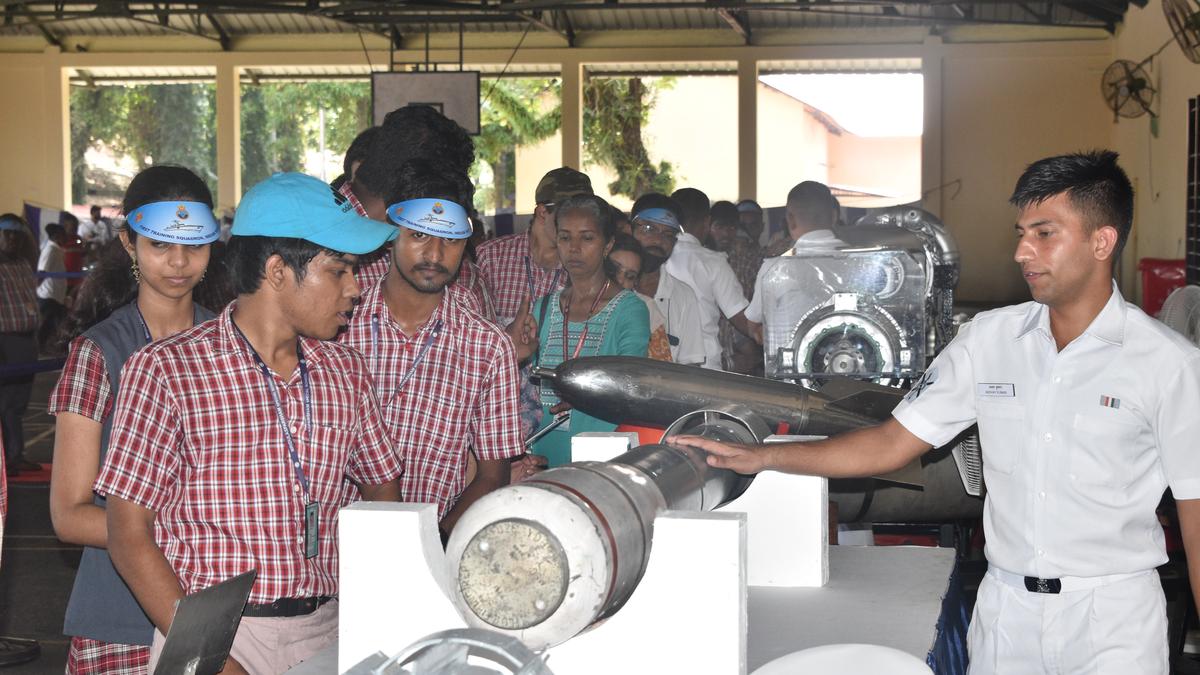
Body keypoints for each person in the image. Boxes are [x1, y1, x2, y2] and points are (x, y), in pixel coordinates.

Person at [675, 151, 1200, 674]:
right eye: (1021, 232)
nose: (1021, 251)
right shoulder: (989, 342)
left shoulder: (1167, 364)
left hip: (1113, 620)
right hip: (1007, 614)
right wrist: (763, 458)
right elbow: (890, 444)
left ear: (1101, 241)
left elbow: (1195, 513)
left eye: (1044, 233)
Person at [95, 173, 405, 675]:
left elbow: (383, 491)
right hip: (217, 635)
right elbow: (129, 535)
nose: (356, 289)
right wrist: (210, 658)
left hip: (330, 627)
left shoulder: (343, 371)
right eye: (340, 270)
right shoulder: (167, 371)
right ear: (278, 270)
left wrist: (370, 610)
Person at [48, 166, 220, 675]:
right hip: (119, 620)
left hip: (219, 610)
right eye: (160, 245)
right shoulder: (98, 354)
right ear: (128, 243)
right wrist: (192, 528)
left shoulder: (232, 342)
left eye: (194, 244)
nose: (179, 261)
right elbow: (69, 514)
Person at [338, 159, 524, 538]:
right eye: (420, 236)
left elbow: (493, 475)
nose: (436, 255)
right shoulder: (339, 326)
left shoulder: (486, 346)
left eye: (451, 239)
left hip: (435, 545)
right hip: (332, 550)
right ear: (391, 233)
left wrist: (430, 544)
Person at [532, 194, 649, 467]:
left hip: (602, 451)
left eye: (586, 238)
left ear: (607, 245)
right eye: (564, 237)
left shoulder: (629, 309)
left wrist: (588, 394)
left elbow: (632, 384)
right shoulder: (543, 307)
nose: (574, 248)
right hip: (541, 451)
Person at [477, 167, 594, 437]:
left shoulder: (586, 269)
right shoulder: (491, 259)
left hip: (563, 412)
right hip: (496, 411)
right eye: (569, 214)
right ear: (543, 212)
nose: (578, 223)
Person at [744, 181, 846, 342]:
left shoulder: (774, 269)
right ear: (834, 216)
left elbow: (752, 324)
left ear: (790, 220)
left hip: (791, 366)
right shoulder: (866, 265)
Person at [664, 187, 753, 370]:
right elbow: (742, 319)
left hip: (663, 364)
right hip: (706, 368)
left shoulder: (656, 258)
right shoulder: (714, 262)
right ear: (707, 222)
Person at [629, 194, 706, 367]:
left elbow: (690, 367)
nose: (657, 240)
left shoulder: (684, 296)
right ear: (629, 230)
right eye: (649, 229)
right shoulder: (611, 288)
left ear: (675, 241)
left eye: (668, 234)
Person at [0, 215, 39, 477]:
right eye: (7, 234)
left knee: (20, 403)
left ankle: (15, 455)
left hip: (27, 340)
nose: (12, 239)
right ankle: (11, 457)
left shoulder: (23, 264)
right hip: (6, 340)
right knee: (8, 403)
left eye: (17, 234)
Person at [707, 200, 763, 374]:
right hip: (709, 354)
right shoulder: (699, 260)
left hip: (738, 347)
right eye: (719, 227)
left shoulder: (744, 259)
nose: (726, 233)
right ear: (707, 225)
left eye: (731, 228)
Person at [607, 233, 672, 362]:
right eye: (615, 269)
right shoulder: (573, 300)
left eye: (629, 276)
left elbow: (660, 370)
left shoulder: (646, 307)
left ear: (635, 282)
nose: (620, 280)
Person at [37, 223, 70, 351]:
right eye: (64, 235)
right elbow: (42, 271)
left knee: (54, 323)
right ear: (57, 236)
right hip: (49, 294)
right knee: (47, 323)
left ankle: (47, 347)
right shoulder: (50, 250)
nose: (66, 237)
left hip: (56, 294)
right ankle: (40, 347)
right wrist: (36, 291)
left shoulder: (56, 249)